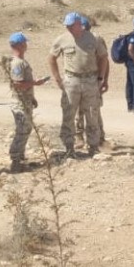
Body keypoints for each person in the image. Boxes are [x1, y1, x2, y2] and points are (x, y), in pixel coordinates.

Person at [49, 12, 109, 158]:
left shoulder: (93, 38)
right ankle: (69, 147)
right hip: (71, 81)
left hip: (90, 81)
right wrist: (58, 79)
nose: (68, 28)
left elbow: (103, 58)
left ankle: (93, 147)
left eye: (71, 25)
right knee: (69, 114)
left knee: (92, 114)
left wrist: (101, 78)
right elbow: (51, 58)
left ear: (78, 24)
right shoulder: (61, 39)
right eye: (66, 26)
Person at [6, 32, 47, 173]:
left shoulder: (21, 61)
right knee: (22, 130)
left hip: (26, 100)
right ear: (19, 45)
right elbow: (17, 84)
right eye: (24, 43)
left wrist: (32, 97)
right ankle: (15, 160)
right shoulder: (17, 63)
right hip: (20, 103)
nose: (26, 45)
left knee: (26, 129)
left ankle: (20, 157)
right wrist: (35, 83)